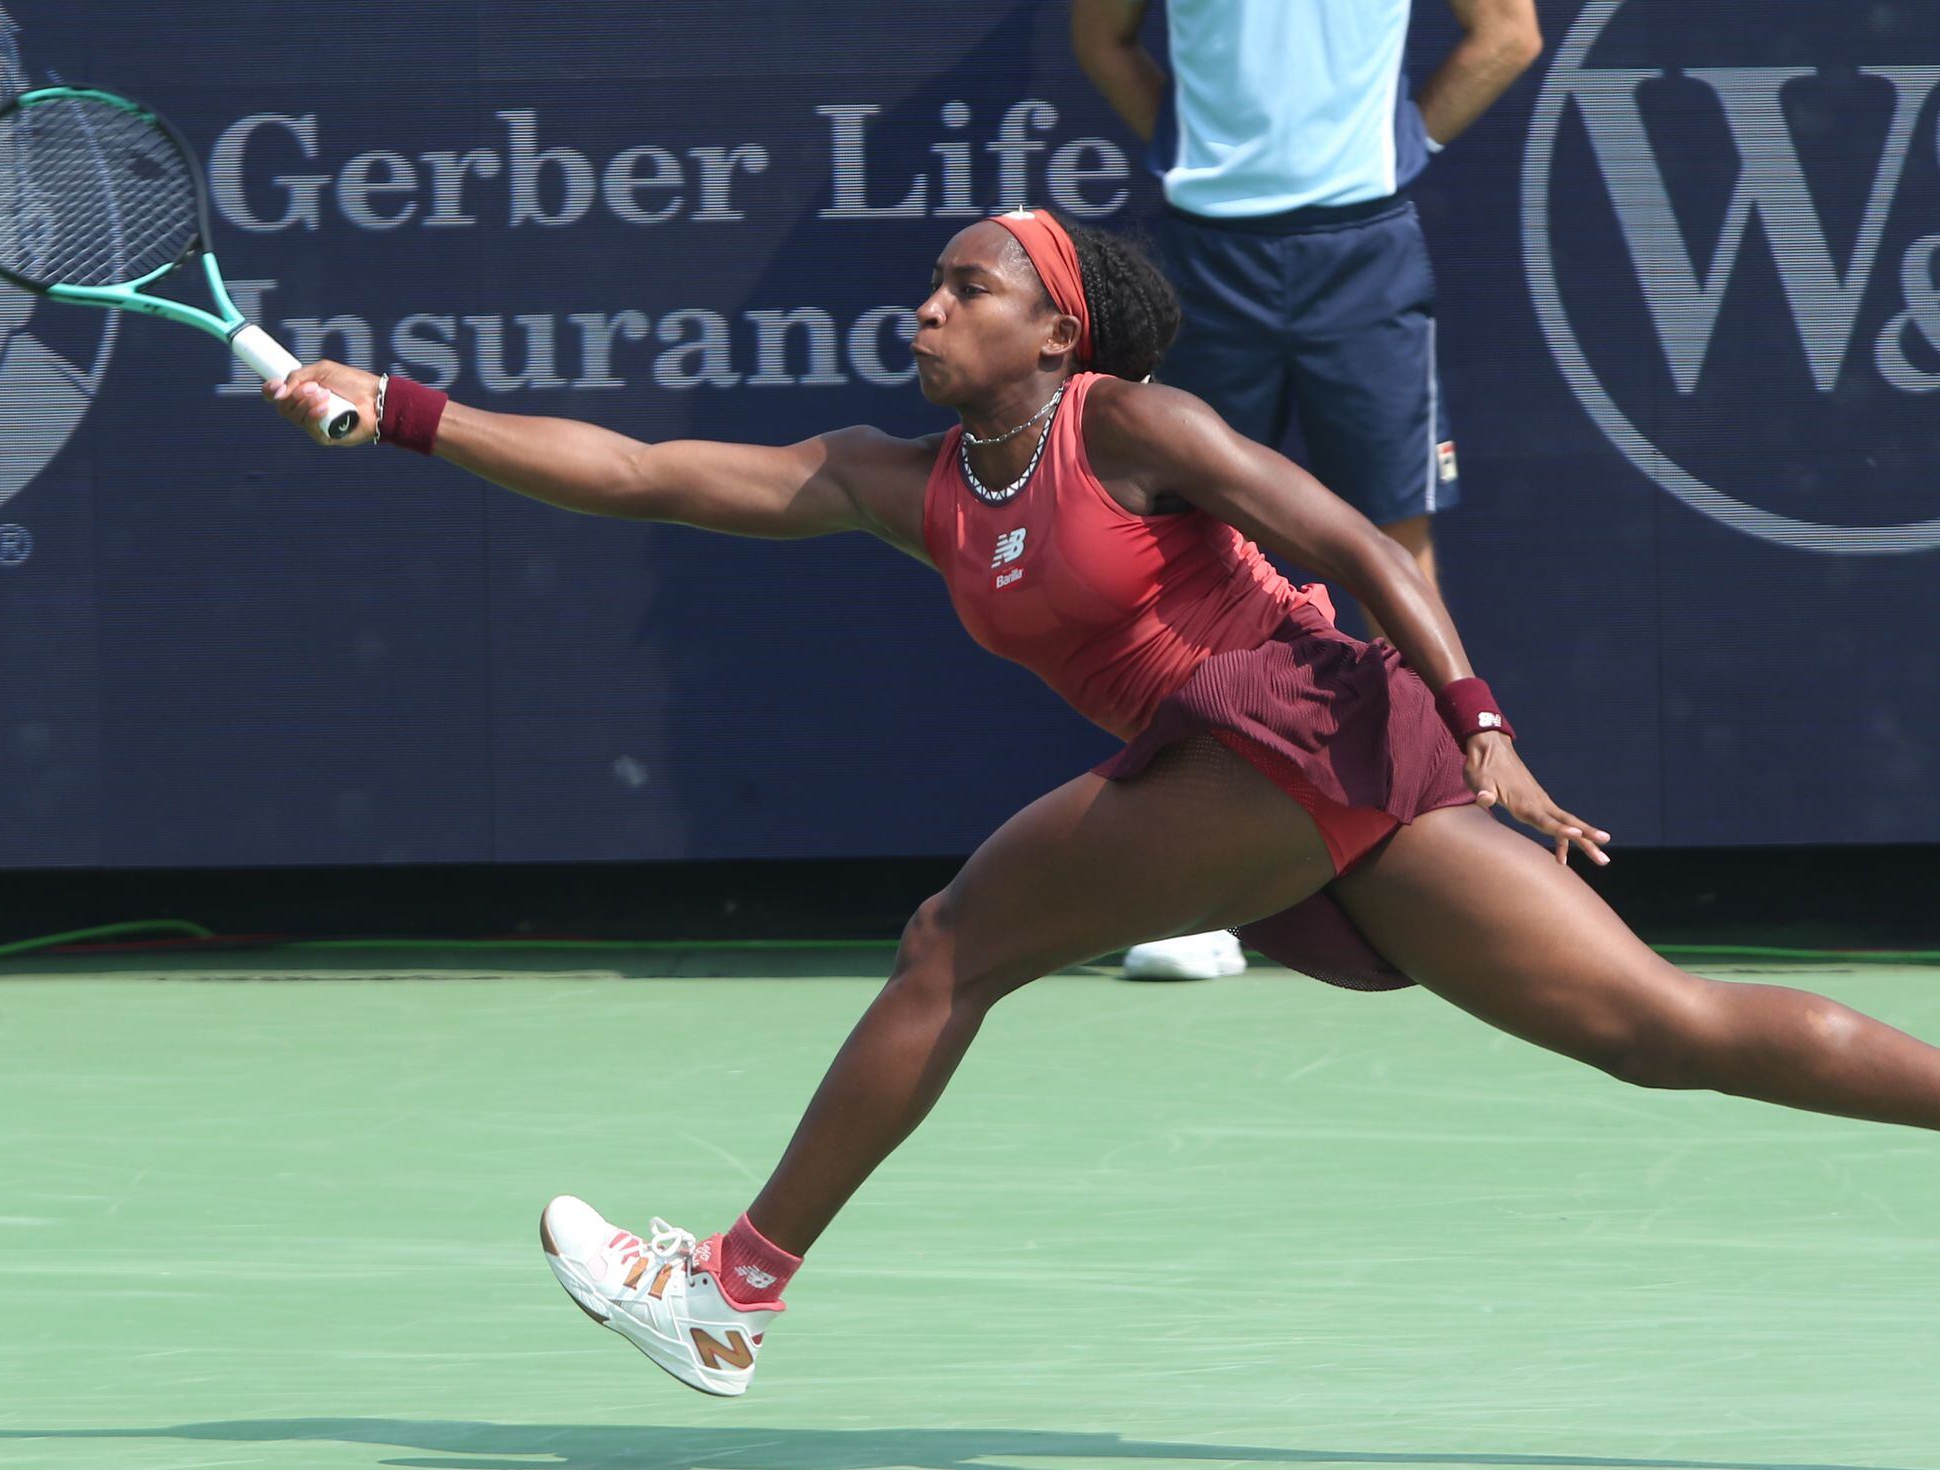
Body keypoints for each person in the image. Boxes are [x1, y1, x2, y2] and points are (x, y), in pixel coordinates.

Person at [268, 210, 1940, 1400]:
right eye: (929, 285)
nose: (926, 308)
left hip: (1296, 724)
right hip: (1302, 771)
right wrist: (407, 412)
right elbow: (639, 473)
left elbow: (1353, 540)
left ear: (1056, 331)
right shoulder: (902, 486)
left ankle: (728, 1294)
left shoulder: (1130, 423)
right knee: (1652, 1029)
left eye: (966, 287)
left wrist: (1482, 722)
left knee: (956, 942)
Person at [1072, 0, 1543, 980]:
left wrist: (1394, 145)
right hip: (1206, 252)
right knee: (1175, 547)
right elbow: (1102, 39)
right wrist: (1200, 152)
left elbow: (1507, 32)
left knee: (1391, 539)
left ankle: (1440, 862)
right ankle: (1183, 889)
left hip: (1362, 249)